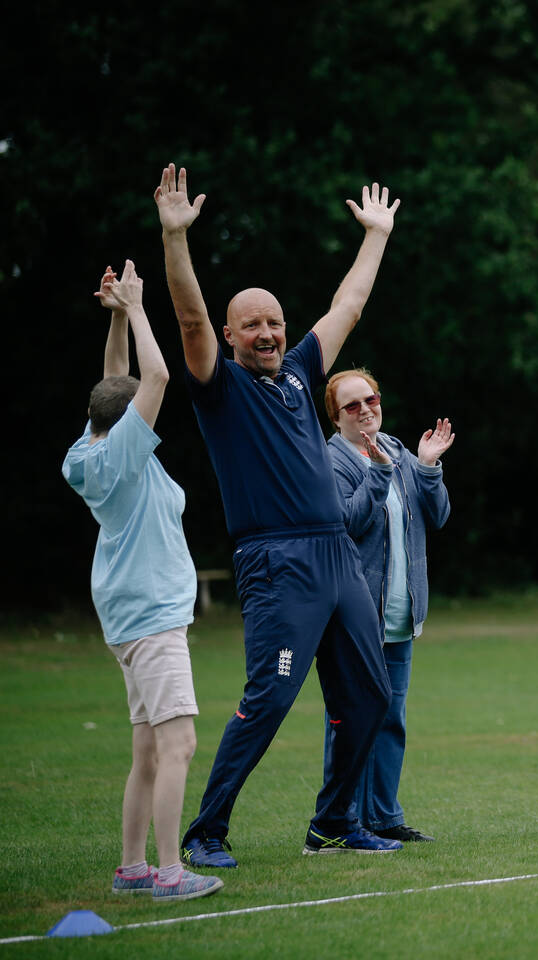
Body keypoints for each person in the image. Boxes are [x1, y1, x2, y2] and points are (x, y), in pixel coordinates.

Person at [153, 163, 406, 865]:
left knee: (370, 697)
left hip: (337, 558)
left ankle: (331, 826)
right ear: (231, 336)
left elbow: (348, 305)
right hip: (279, 562)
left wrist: (376, 237)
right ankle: (206, 831)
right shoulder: (220, 386)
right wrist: (176, 239)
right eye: (252, 325)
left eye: (274, 322)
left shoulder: (299, 373)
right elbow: (189, 316)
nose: (266, 333)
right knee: (269, 698)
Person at [62, 261, 223, 902]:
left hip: (128, 617)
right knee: (179, 743)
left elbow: (115, 384)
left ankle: (130, 869)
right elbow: (154, 377)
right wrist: (137, 303)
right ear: (130, 422)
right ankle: (168, 872)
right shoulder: (127, 450)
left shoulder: (89, 451)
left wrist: (119, 320)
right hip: (153, 617)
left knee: (149, 751)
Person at [321, 368, 454, 843]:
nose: (365, 411)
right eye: (351, 406)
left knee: (390, 719)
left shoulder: (398, 451)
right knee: (350, 720)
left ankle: (383, 816)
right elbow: (346, 524)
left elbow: (436, 516)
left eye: (370, 399)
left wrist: (428, 467)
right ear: (335, 418)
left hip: (400, 612)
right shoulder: (329, 460)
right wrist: (377, 476)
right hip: (354, 617)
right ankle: (340, 821)